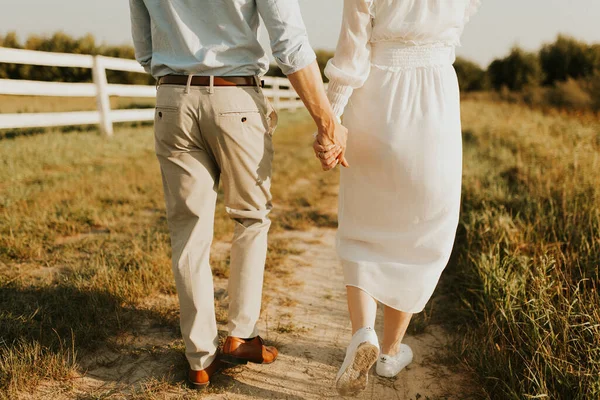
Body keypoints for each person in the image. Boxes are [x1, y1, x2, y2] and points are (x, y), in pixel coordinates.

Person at [129, 0, 347, 388]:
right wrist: (328, 123)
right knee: (250, 217)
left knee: (188, 230)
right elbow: (289, 42)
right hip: (236, 98)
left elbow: (146, 52)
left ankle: (199, 358)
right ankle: (240, 335)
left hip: (173, 101)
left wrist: (183, 62)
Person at [313, 0, 481, 396]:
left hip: (376, 95)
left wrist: (331, 124)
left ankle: (362, 334)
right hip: (436, 96)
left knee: (362, 227)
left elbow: (352, 52)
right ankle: (389, 352)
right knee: (422, 230)